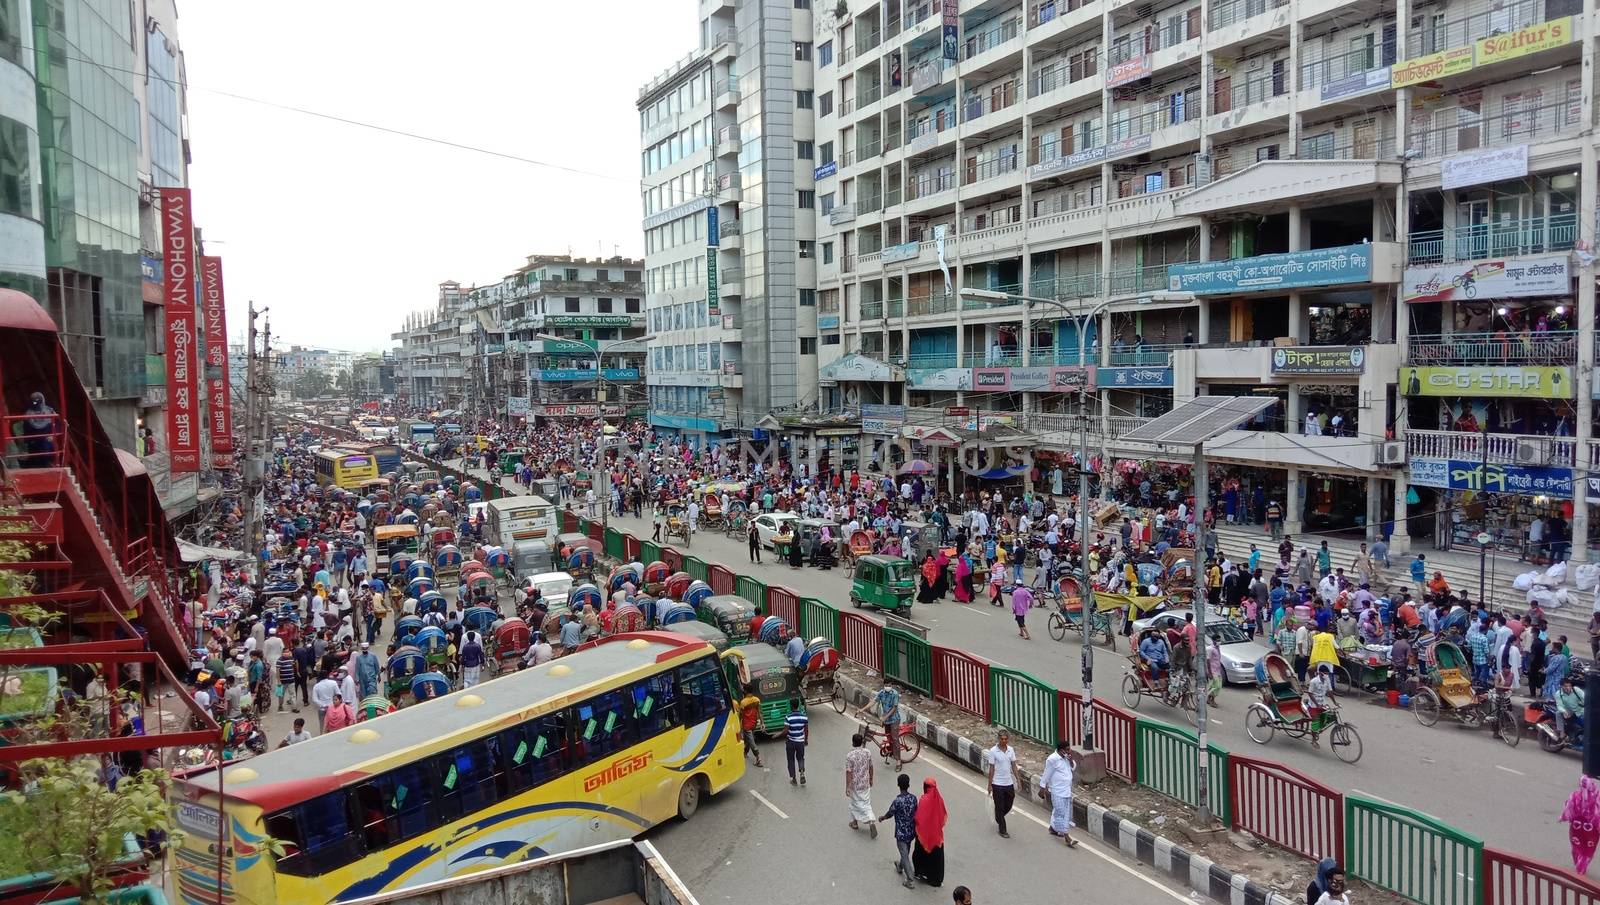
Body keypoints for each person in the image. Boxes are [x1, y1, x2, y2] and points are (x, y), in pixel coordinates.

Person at [879, 773, 918, 889]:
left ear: (898, 785)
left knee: (904, 854)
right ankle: (900, 866)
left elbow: (890, 813)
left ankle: (910, 880)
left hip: (901, 832)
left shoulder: (898, 801)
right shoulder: (913, 798)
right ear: (908, 785)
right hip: (911, 831)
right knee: (905, 851)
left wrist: (882, 818)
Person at [1039, 739, 1080, 847]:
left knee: (1063, 813)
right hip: (1056, 791)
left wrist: (1071, 761)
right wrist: (1042, 788)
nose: (1069, 751)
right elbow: (1046, 774)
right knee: (1061, 813)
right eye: (1067, 749)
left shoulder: (1066, 757)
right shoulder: (1052, 759)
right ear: (1061, 750)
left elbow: (1073, 767)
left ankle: (1053, 828)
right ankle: (1067, 837)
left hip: (1066, 790)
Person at [912, 777, 948, 887]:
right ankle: (935, 879)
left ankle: (920, 872)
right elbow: (943, 816)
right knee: (936, 859)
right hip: (936, 835)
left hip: (923, 834)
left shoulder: (924, 799)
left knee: (919, 854)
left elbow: (919, 818)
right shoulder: (939, 799)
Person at [1562, 775, 1600, 874]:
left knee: (1576, 847)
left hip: (1576, 827)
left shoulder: (1575, 795)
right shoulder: (1597, 797)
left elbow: (1568, 809)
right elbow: (1598, 815)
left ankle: (1578, 864)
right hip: (1591, 829)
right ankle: (1581, 868)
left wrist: (1566, 818)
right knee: (1587, 850)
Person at [985, 729, 1018, 838]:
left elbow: (1013, 765)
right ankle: (1002, 829)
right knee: (999, 806)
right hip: (997, 783)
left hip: (1008, 782)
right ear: (998, 739)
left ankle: (999, 816)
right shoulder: (993, 751)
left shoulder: (1011, 750)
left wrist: (1018, 779)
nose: (1004, 741)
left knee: (1009, 803)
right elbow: (991, 769)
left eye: (1005, 739)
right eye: (1002, 739)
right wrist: (990, 785)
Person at [844, 732, 876, 837]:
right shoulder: (867, 752)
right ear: (862, 742)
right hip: (865, 783)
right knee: (866, 803)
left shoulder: (850, 756)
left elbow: (849, 772)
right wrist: (871, 779)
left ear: (853, 743)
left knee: (854, 803)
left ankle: (855, 823)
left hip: (855, 785)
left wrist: (847, 787)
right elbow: (871, 767)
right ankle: (870, 821)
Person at [873, 681, 903, 772]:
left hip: (894, 719)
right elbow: (873, 701)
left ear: (891, 686)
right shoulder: (881, 693)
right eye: (886, 685)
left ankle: (898, 761)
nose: (887, 687)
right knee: (888, 736)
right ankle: (891, 752)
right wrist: (862, 709)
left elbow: (894, 708)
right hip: (886, 720)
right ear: (884, 685)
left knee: (894, 738)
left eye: (889, 685)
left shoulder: (895, 694)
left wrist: (885, 717)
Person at [738, 692, 766, 768]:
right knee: (749, 739)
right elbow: (760, 712)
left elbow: (740, 715)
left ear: (745, 691)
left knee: (751, 741)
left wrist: (738, 724)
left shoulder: (743, 702)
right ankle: (745, 753)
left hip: (746, 725)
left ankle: (758, 758)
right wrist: (762, 723)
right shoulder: (757, 700)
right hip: (754, 724)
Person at [784, 704, 808, 786]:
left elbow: (786, 731)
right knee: (800, 758)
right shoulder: (804, 717)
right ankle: (802, 773)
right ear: (798, 706)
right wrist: (806, 740)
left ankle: (793, 778)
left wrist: (778, 735)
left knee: (791, 760)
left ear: (791, 706)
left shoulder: (788, 717)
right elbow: (806, 730)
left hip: (790, 742)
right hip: (800, 742)